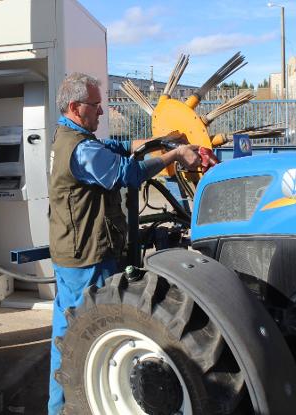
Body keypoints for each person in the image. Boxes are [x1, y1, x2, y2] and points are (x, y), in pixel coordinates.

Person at [47, 72, 201, 414]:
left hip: (72, 254)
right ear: (75, 107)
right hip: (87, 257)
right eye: (96, 105)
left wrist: (152, 142)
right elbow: (126, 174)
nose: (101, 112)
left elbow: (112, 149)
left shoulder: (69, 136)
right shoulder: (80, 149)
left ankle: (58, 409)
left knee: (66, 335)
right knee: (91, 331)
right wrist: (172, 157)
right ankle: (88, 398)